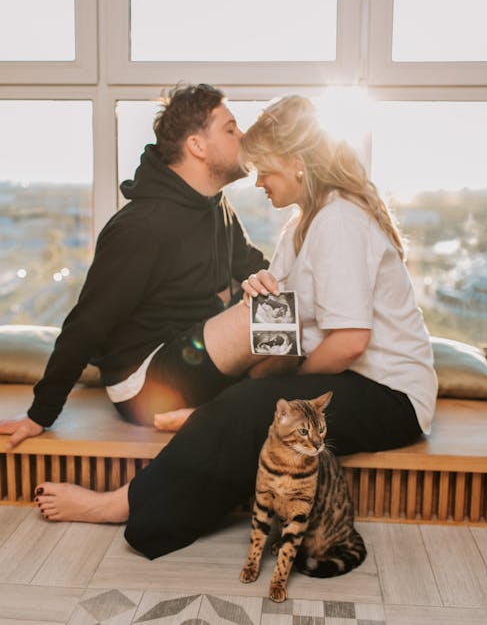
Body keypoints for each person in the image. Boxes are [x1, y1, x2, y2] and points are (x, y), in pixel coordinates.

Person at [27, 95, 437, 563]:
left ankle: (120, 503)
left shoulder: (339, 217)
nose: (257, 179)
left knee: (254, 406)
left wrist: (280, 390)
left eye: (265, 168)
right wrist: (259, 293)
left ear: (298, 164)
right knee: (257, 374)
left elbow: (348, 342)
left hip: (391, 395)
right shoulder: (301, 226)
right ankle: (206, 420)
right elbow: (285, 324)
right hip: (347, 379)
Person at [0, 83, 269, 447]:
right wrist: (39, 415)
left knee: (283, 320)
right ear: (197, 146)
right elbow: (87, 324)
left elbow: (256, 267)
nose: (244, 136)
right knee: (266, 317)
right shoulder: (142, 227)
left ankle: (217, 413)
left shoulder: (215, 206)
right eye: (231, 128)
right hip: (142, 381)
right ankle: (217, 412)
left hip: (190, 353)